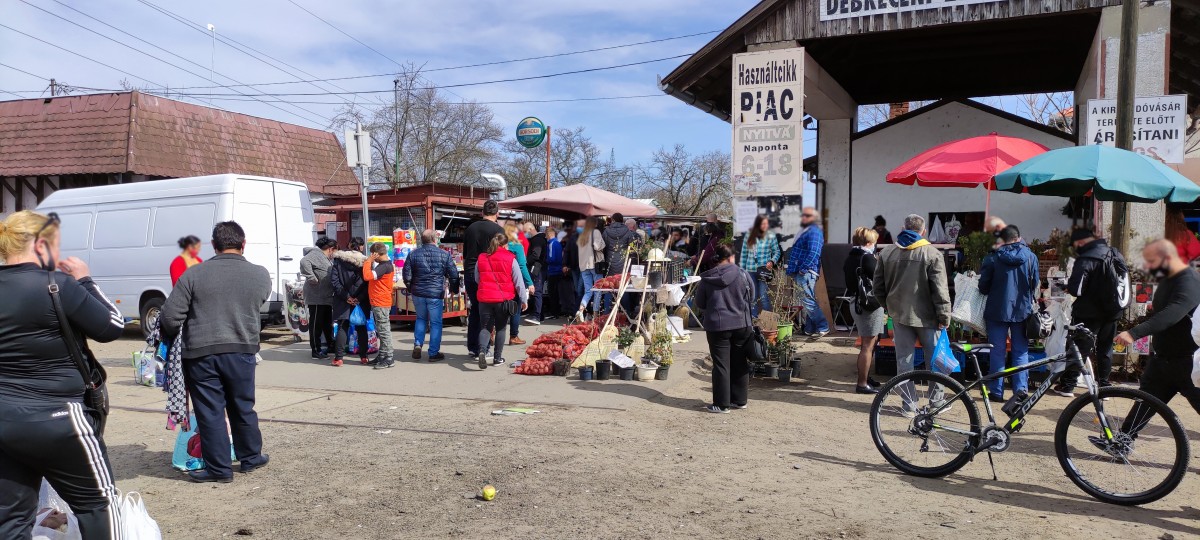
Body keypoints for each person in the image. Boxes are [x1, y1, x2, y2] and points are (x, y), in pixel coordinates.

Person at [0, 210, 125, 539]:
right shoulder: (58, 285)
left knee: (11, 519)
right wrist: (85, 279)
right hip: (60, 419)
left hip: (4, 418)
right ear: (41, 245)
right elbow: (112, 327)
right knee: (99, 507)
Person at [161, 220, 272, 483]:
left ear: (214, 245)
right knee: (243, 406)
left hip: (201, 353)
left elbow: (169, 317)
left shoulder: (193, 274)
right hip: (242, 349)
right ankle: (250, 458)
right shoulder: (260, 274)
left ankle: (219, 470)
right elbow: (261, 300)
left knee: (210, 411)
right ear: (243, 244)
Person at [1116, 239, 1200, 415]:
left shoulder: (1189, 280)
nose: (1149, 266)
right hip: (1162, 360)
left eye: (1152, 261)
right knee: (1143, 404)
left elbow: (1173, 313)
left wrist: (1134, 333)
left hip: (1187, 362)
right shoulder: (1169, 280)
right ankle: (1123, 440)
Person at [873, 214, 951, 378]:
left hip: (899, 315)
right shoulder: (933, 254)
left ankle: (908, 403)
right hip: (929, 318)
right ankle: (937, 402)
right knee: (935, 362)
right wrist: (944, 317)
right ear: (924, 232)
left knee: (903, 362)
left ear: (903, 229)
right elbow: (940, 290)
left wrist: (889, 307)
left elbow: (877, 288)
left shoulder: (886, 252)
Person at [1054, 228, 1126, 396]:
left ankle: (1068, 385)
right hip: (1113, 311)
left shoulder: (1087, 258)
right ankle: (1104, 387)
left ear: (1080, 242)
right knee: (1106, 349)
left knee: (1079, 348)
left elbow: (1077, 290)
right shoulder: (1115, 254)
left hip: (1088, 313)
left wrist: (1066, 287)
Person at [978, 225, 1039, 402]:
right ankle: (1020, 391)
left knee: (997, 351)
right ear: (1018, 238)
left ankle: (996, 392)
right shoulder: (1030, 257)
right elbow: (1034, 283)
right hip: (1022, 310)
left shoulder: (992, 258)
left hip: (997, 310)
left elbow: (983, 287)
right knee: (1020, 352)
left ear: (1002, 240)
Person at [694, 244, 754, 414]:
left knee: (721, 365)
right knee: (740, 362)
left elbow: (700, 303)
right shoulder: (743, 274)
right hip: (742, 324)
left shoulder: (707, 278)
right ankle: (740, 400)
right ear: (731, 257)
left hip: (717, 326)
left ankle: (721, 404)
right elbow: (752, 296)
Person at [474, 233, 530, 369]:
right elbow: (518, 281)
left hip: (485, 298)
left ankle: (482, 351)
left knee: (486, 327)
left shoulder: (481, 258)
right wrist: (523, 299)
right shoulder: (511, 258)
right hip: (503, 299)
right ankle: (497, 358)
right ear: (505, 245)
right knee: (501, 328)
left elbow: (477, 278)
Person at [403, 230, 459, 362]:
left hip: (418, 293)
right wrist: (454, 289)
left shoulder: (413, 254)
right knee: (436, 323)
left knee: (421, 319)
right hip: (435, 293)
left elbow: (406, 275)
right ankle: (433, 352)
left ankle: (418, 344)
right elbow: (454, 274)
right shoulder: (444, 255)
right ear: (435, 239)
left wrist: (411, 288)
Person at [843, 227, 885, 394]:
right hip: (869, 305)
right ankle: (862, 383)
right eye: (874, 242)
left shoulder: (850, 257)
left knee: (870, 343)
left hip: (855, 301)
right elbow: (881, 278)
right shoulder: (867, 258)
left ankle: (866, 377)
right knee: (867, 345)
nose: (875, 245)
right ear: (868, 243)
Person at [463, 201, 506, 360]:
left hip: (469, 272)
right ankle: (484, 347)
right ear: (497, 214)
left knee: (475, 309)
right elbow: (500, 254)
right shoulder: (498, 230)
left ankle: (473, 347)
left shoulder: (470, 228)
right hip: (488, 274)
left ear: (482, 212)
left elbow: (466, 252)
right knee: (487, 313)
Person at [786, 206, 829, 338]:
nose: (804, 217)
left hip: (806, 272)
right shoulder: (806, 231)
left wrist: (803, 269)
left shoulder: (814, 231)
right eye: (803, 215)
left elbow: (814, 252)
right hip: (802, 271)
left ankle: (823, 326)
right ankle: (810, 329)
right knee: (808, 300)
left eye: (808, 216)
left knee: (808, 301)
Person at [330, 238, 370, 367]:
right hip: (360, 300)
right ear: (361, 247)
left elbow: (334, 281)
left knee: (343, 326)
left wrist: (346, 296)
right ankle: (364, 356)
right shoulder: (365, 262)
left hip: (342, 299)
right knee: (361, 327)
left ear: (349, 246)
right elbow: (367, 283)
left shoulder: (338, 260)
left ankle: (339, 358)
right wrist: (359, 297)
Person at [300, 237, 337, 360]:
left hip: (325, 296)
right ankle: (316, 350)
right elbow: (304, 261)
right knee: (316, 324)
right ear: (330, 249)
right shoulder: (316, 254)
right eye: (335, 250)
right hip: (316, 296)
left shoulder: (325, 257)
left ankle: (331, 345)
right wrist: (311, 277)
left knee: (327, 323)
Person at [362, 243, 397, 369]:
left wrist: (368, 261)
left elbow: (367, 276)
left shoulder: (384, 266)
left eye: (372, 255)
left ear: (375, 254)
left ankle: (389, 358)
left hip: (380, 302)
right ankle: (382, 355)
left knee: (383, 331)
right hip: (380, 301)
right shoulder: (386, 265)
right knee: (382, 331)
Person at [740, 215, 780, 317]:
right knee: (752, 296)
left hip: (763, 270)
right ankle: (753, 320)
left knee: (763, 296)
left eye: (766, 224)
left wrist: (772, 261)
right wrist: (742, 271)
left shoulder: (771, 236)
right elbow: (744, 254)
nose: (765, 226)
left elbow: (777, 252)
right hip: (750, 269)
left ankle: (769, 320)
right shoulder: (749, 235)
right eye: (763, 224)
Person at [504, 222, 536, 337]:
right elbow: (522, 266)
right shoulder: (517, 246)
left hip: (501, 280)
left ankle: (493, 333)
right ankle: (514, 336)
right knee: (515, 308)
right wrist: (530, 283)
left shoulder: (499, 245)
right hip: (514, 280)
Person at [576, 216, 607, 320]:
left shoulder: (582, 235)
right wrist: (603, 243)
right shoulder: (596, 232)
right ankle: (595, 314)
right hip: (594, 265)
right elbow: (598, 246)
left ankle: (580, 310)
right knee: (598, 289)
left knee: (588, 291)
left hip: (584, 266)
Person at [545, 226, 573, 317]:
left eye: (546, 235)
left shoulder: (552, 244)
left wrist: (546, 261)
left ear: (549, 234)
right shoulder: (557, 243)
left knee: (552, 292)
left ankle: (554, 312)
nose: (545, 237)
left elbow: (552, 258)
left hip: (553, 270)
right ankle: (557, 311)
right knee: (557, 292)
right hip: (557, 270)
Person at [526, 225, 548, 323]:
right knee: (537, 291)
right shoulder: (541, 239)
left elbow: (536, 255)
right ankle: (540, 314)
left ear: (530, 230)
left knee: (536, 291)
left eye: (526, 231)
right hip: (539, 267)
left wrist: (526, 261)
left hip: (537, 268)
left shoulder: (537, 240)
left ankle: (536, 315)